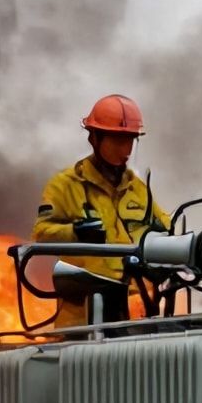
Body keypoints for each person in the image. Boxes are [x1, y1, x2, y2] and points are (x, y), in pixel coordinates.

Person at [32, 94, 171, 328]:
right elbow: (42, 233)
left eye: (130, 140)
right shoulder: (66, 185)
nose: (125, 148)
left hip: (135, 317)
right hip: (84, 318)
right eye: (118, 139)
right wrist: (76, 232)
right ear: (94, 137)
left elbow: (168, 228)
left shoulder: (138, 190)